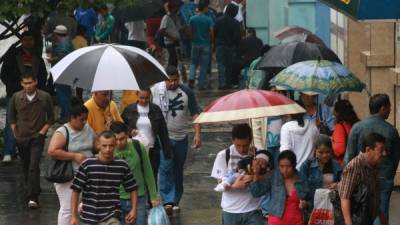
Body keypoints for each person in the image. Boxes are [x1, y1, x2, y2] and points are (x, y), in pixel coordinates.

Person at [152, 65, 202, 213]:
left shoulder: (186, 92)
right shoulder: (156, 91)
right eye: (169, 80)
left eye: (175, 80)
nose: (173, 83)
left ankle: (176, 199)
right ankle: (167, 200)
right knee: (165, 168)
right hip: (163, 137)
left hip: (181, 137)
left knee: (178, 169)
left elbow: (194, 113)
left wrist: (198, 134)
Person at [344, 94, 400, 225]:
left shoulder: (357, 127)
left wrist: (347, 177)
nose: (390, 110)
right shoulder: (391, 130)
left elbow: (349, 155)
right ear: (382, 108)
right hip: (384, 177)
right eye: (388, 107)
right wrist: (389, 175)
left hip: (360, 178)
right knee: (381, 212)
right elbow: (396, 157)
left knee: (360, 210)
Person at [70, 131, 138, 225]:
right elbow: (75, 190)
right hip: (89, 217)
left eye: (111, 146)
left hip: (112, 215)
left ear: (115, 145)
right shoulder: (87, 165)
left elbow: (133, 188)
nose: (108, 149)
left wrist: (134, 209)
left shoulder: (122, 165)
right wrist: (73, 216)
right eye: (104, 146)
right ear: (98, 145)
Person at [8, 73, 55, 208]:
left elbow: (51, 118)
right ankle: (33, 188)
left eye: (30, 83)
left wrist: (42, 132)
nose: (28, 86)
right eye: (25, 83)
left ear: (35, 82)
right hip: (21, 137)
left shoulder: (44, 97)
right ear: (22, 84)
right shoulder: (17, 97)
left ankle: (32, 197)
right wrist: (15, 133)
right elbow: (11, 118)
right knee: (26, 166)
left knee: (33, 165)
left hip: (37, 137)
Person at [0, 31, 48, 162]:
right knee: (12, 122)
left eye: (30, 39)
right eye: (25, 39)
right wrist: (15, 87)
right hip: (14, 94)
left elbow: (43, 75)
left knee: (34, 122)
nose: (28, 42)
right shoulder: (13, 55)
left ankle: (28, 150)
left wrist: (39, 89)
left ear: (33, 41)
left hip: (34, 94)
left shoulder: (37, 57)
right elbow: (4, 73)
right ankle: (8, 152)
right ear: (21, 41)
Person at [47, 99, 95, 225]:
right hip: (68, 176)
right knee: (68, 209)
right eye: (81, 119)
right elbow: (52, 151)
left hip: (85, 175)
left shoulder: (88, 129)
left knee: (82, 206)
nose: (84, 122)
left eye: (86, 119)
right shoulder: (63, 131)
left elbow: (95, 146)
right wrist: (74, 156)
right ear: (72, 118)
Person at [211, 123, 265, 225]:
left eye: (245, 145)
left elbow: (269, 175)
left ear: (251, 140)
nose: (241, 149)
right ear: (232, 140)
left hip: (253, 209)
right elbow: (220, 183)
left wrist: (255, 175)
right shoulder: (224, 155)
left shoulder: (259, 155)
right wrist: (234, 186)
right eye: (238, 145)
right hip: (231, 210)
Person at [110, 122, 160, 225]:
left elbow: (148, 171)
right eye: (116, 139)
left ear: (128, 135)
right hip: (117, 200)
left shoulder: (138, 146)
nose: (119, 143)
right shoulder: (109, 150)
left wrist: (153, 196)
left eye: (122, 138)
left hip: (139, 198)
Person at [121, 89, 172, 181]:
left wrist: (167, 152)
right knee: (135, 177)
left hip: (152, 149)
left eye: (146, 98)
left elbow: (163, 132)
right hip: (134, 149)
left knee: (151, 177)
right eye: (141, 98)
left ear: (150, 96)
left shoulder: (156, 109)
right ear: (137, 95)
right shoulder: (129, 109)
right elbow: (121, 126)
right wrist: (130, 130)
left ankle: (151, 195)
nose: (144, 100)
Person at [339, 133, 388, 225]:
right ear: (368, 150)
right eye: (381, 150)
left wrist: (383, 219)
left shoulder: (374, 166)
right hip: (356, 219)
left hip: (368, 218)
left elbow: (375, 196)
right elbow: (345, 197)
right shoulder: (354, 166)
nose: (384, 153)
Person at [249, 150, 310, 225]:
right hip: (275, 222)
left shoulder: (302, 179)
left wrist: (305, 204)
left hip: (297, 221)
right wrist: (256, 173)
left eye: (288, 166)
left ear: (295, 165)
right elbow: (256, 193)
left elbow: (311, 200)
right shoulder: (273, 176)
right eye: (282, 166)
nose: (285, 170)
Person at [299, 134, 342, 201]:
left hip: (331, 206)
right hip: (311, 207)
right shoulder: (306, 166)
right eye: (321, 152)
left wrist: (338, 185)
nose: (324, 155)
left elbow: (344, 184)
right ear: (315, 150)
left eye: (327, 152)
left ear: (331, 151)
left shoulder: (336, 166)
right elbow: (301, 189)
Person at [48, 25, 74, 123]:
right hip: (66, 72)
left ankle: (66, 116)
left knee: (63, 95)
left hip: (62, 72)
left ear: (56, 34)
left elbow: (63, 57)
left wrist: (52, 59)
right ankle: (66, 114)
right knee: (66, 94)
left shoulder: (63, 44)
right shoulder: (67, 41)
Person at [188, 1, 214, 90]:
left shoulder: (192, 19)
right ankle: (200, 85)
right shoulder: (208, 19)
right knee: (204, 65)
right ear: (205, 8)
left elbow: (190, 31)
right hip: (206, 44)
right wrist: (212, 42)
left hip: (195, 44)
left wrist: (193, 39)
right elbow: (211, 32)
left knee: (193, 63)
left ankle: (191, 78)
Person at [214, 3, 241, 89]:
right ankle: (228, 83)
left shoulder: (218, 20)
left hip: (219, 46)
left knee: (221, 65)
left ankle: (222, 83)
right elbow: (237, 37)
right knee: (229, 66)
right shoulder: (235, 23)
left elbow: (214, 32)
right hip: (230, 47)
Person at [332, 100, 359, 164]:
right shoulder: (357, 124)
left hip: (343, 164)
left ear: (337, 113)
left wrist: (331, 142)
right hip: (356, 162)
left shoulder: (340, 126)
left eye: (334, 111)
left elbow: (339, 150)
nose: (333, 114)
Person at [160, 0, 182, 66]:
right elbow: (161, 30)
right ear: (172, 8)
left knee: (176, 60)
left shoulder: (176, 17)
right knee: (172, 59)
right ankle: (170, 74)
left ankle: (174, 74)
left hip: (176, 42)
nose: (178, 8)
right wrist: (172, 37)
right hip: (169, 42)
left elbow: (179, 28)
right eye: (177, 7)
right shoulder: (166, 17)